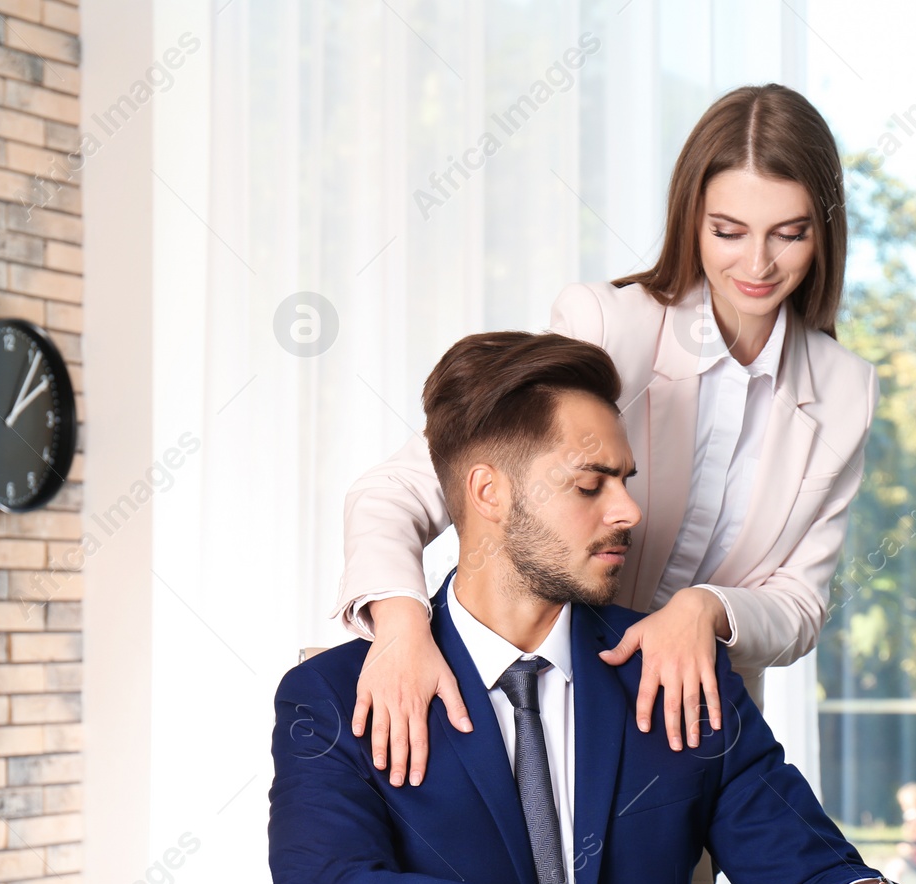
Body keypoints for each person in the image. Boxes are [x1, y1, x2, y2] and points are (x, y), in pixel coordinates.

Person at [271, 332, 916, 884]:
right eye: (590, 486)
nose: (628, 511)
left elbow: (799, 865)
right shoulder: (331, 696)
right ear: (488, 493)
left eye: (625, 481)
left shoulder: (676, 672)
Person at [336, 83, 877, 790]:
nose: (758, 265)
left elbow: (800, 605)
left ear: (825, 231)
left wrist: (706, 608)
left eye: (790, 232)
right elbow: (396, 490)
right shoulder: (607, 326)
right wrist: (402, 628)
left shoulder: (844, 389)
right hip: (538, 711)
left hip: (691, 735)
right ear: (691, 220)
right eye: (729, 231)